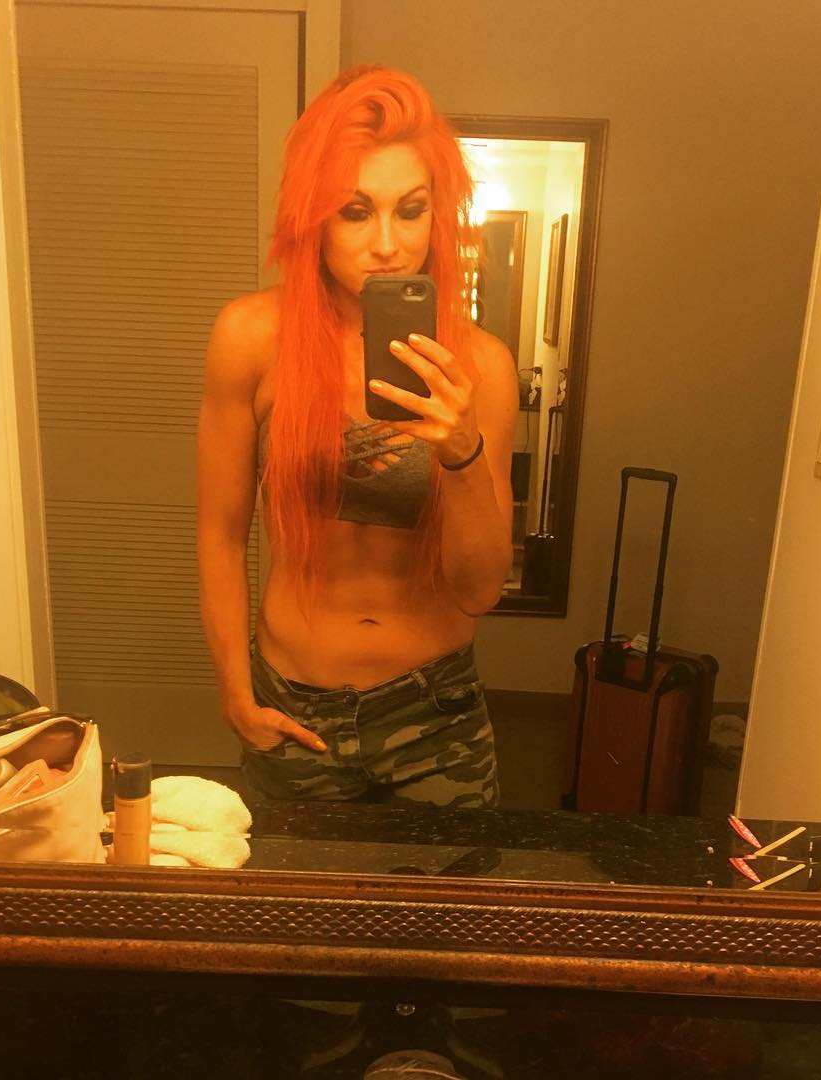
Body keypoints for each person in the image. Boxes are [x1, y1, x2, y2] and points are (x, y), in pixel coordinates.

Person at [196, 65, 518, 808]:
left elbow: (479, 590)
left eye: (410, 210)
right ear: (313, 219)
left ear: (437, 216)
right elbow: (220, 534)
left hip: (435, 713)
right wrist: (236, 693)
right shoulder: (251, 338)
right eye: (354, 212)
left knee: (447, 890)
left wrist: (461, 450)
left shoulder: (482, 367)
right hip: (294, 704)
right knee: (297, 889)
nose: (387, 244)